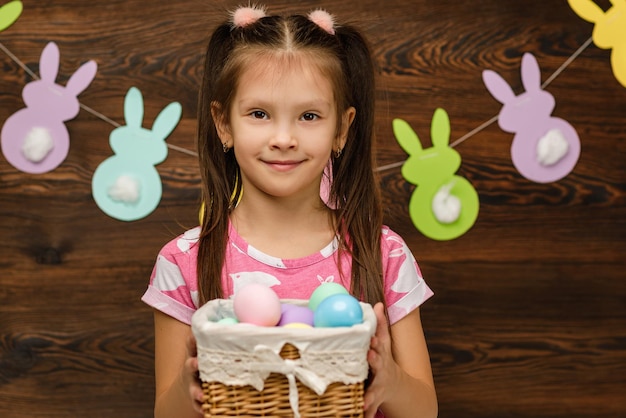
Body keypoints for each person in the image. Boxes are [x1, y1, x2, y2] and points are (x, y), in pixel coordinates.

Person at [141, 5, 438, 418]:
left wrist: (388, 376)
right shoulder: (182, 262)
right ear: (223, 123)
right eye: (259, 114)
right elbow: (166, 413)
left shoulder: (383, 254)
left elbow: (425, 411)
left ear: (342, 129)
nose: (284, 138)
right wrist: (191, 387)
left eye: (309, 116)